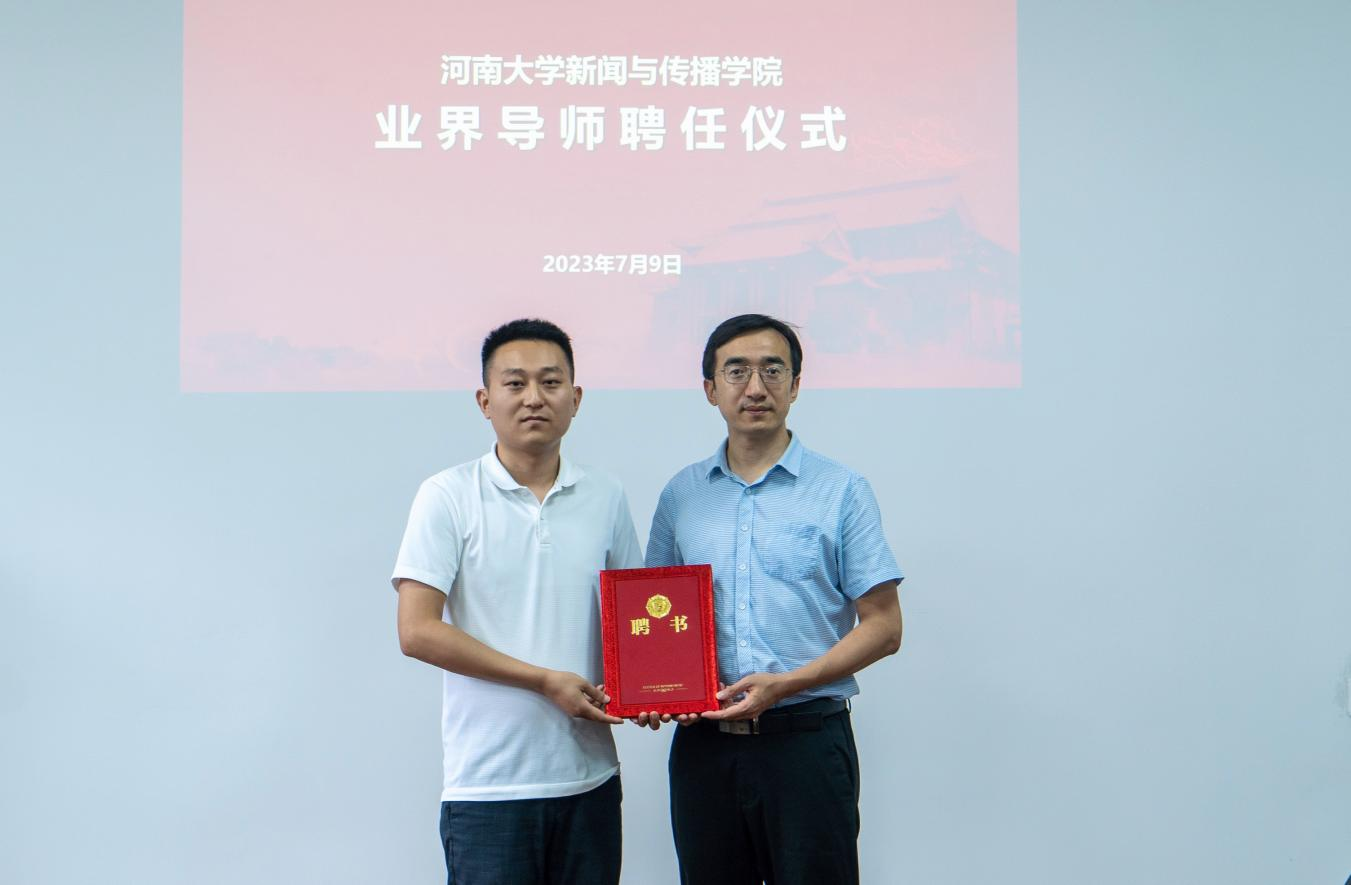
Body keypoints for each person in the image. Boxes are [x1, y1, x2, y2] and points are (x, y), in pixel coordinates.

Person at [644, 313, 904, 885]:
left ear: (796, 384)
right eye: (736, 371)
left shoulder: (842, 490)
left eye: (772, 370)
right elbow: (656, 617)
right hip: (704, 751)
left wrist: (787, 684)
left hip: (806, 745)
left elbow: (884, 627)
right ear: (710, 389)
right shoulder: (682, 495)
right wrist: (654, 687)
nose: (755, 387)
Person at [391, 318, 642, 885]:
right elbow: (417, 631)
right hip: (489, 788)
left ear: (576, 398)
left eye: (551, 382)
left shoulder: (606, 495)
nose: (534, 397)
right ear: (485, 401)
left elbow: (632, 623)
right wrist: (542, 680)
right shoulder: (447, 495)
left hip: (591, 780)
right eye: (515, 383)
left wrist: (656, 689)